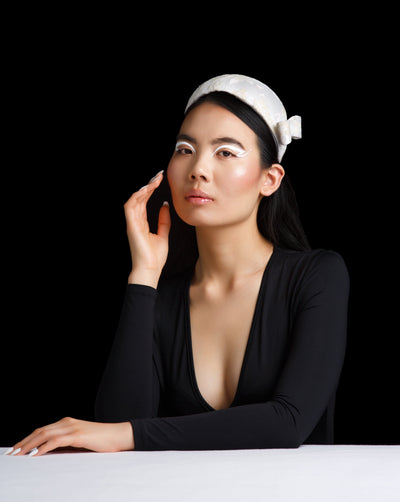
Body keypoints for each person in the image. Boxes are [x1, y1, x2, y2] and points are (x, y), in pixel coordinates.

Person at [5, 74, 349, 456]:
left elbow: (288, 422)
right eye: (185, 148)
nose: (198, 168)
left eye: (225, 152)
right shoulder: (164, 295)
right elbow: (119, 421)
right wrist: (144, 278)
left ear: (270, 179)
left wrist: (131, 436)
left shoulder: (318, 276)